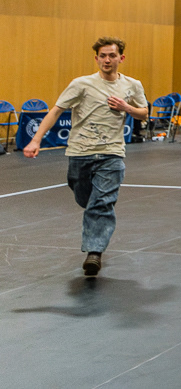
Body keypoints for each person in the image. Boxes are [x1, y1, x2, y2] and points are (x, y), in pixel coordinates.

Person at [23, 37, 148, 277]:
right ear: (97, 58)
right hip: (80, 153)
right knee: (85, 198)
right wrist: (36, 139)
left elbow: (143, 113)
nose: (107, 60)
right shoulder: (81, 84)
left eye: (112, 55)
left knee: (102, 203)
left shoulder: (133, 85)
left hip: (112, 153)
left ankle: (94, 252)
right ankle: (92, 218)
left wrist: (126, 107)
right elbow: (56, 110)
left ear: (121, 58)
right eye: (103, 56)